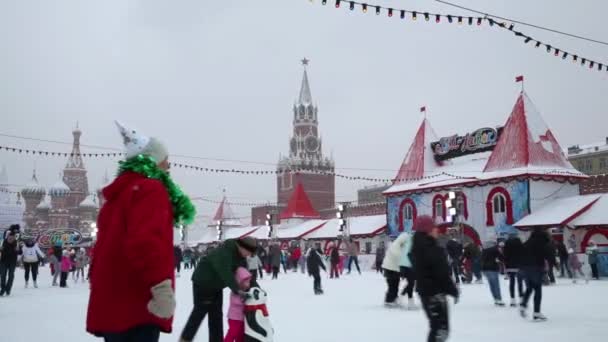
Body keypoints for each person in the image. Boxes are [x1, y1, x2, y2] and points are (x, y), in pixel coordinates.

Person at [87, 122, 195, 341]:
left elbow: (104, 247)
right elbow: (146, 242)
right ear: (153, 160)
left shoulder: (119, 193)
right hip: (137, 302)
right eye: (166, 160)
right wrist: (161, 287)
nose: (169, 165)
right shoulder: (150, 189)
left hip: (113, 301)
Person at [181, 237, 257, 342]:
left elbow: (245, 274)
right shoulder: (225, 252)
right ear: (242, 247)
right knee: (199, 313)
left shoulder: (240, 257)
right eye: (248, 252)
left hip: (216, 286)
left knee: (216, 317)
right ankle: (185, 339)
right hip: (204, 282)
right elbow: (225, 272)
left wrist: (256, 289)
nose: (248, 255)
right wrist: (237, 290)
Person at [410, 216, 458, 342]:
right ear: (428, 230)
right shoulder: (432, 249)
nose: (437, 230)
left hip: (425, 293)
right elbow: (442, 273)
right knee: (440, 329)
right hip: (435, 294)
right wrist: (453, 290)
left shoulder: (417, 247)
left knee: (436, 327)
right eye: (434, 227)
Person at [519, 228, 552, 321]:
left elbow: (520, 254)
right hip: (536, 267)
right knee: (538, 289)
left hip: (525, 268)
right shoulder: (542, 243)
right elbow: (547, 254)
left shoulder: (526, 243)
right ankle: (536, 312)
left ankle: (523, 304)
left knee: (530, 287)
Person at [381, 233, 412, 308]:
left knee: (395, 285)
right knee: (392, 285)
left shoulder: (400, 246)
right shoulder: (396, 246)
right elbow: (399, 257)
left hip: (394, 269)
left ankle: (393, 299)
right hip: (390, 269)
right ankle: (389, 301)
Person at [224, 267, 252, 342]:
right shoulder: (235, 291)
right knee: (232, 333)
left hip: (242, 319)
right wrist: (244, 299)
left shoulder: (246, 292)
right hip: (234, 318)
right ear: (239, 281)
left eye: (249, 282)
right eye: (246, 282)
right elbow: (235, 302)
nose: (248, 284)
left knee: (241, 335)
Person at [481, 240, 505, 306]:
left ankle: (496, 299)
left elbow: (482, 260)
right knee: (496, 285)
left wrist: (482, 270)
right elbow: (502, 258)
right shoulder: (495, 250)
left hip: (486, 269)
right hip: (493, 268)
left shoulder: (484, 250)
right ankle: (499, 299)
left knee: (491, 285)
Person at [503, 234, 525, 306]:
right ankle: (521, 298)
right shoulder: (520, 244)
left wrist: (506, 266)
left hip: (510, 266)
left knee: (512, 283)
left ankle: (512, 300)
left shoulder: (507, 244)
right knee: (520, 282)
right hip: (519, 266)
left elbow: (505, 256)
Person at [0, 232, 20, 296]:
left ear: (14, 238)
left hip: (12, 262)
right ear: (7, 237)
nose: (10, 238)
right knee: (3, 275)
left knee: (11, 275)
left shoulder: (16, 243)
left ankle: (8, 289)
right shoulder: (2, 242)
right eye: (9, 237)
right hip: (3, 261)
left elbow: (20, 252)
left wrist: (18, 250)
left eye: (12, 237)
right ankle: (3, 289)